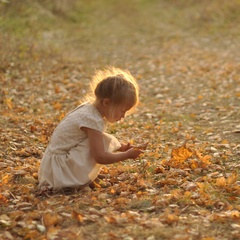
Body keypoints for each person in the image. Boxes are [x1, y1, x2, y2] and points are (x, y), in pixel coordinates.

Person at [38, 66, 147, 191]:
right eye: (122, 111)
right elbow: (100, 157)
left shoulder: (88, 109)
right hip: (58, 173)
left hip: (51, 167)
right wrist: (126, 155)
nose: (123, 117)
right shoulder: (93, 120)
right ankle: (75, 179)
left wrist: (120, 147)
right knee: (98, 142)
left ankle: (85, 176)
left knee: (99, 139)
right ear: (106, 102)